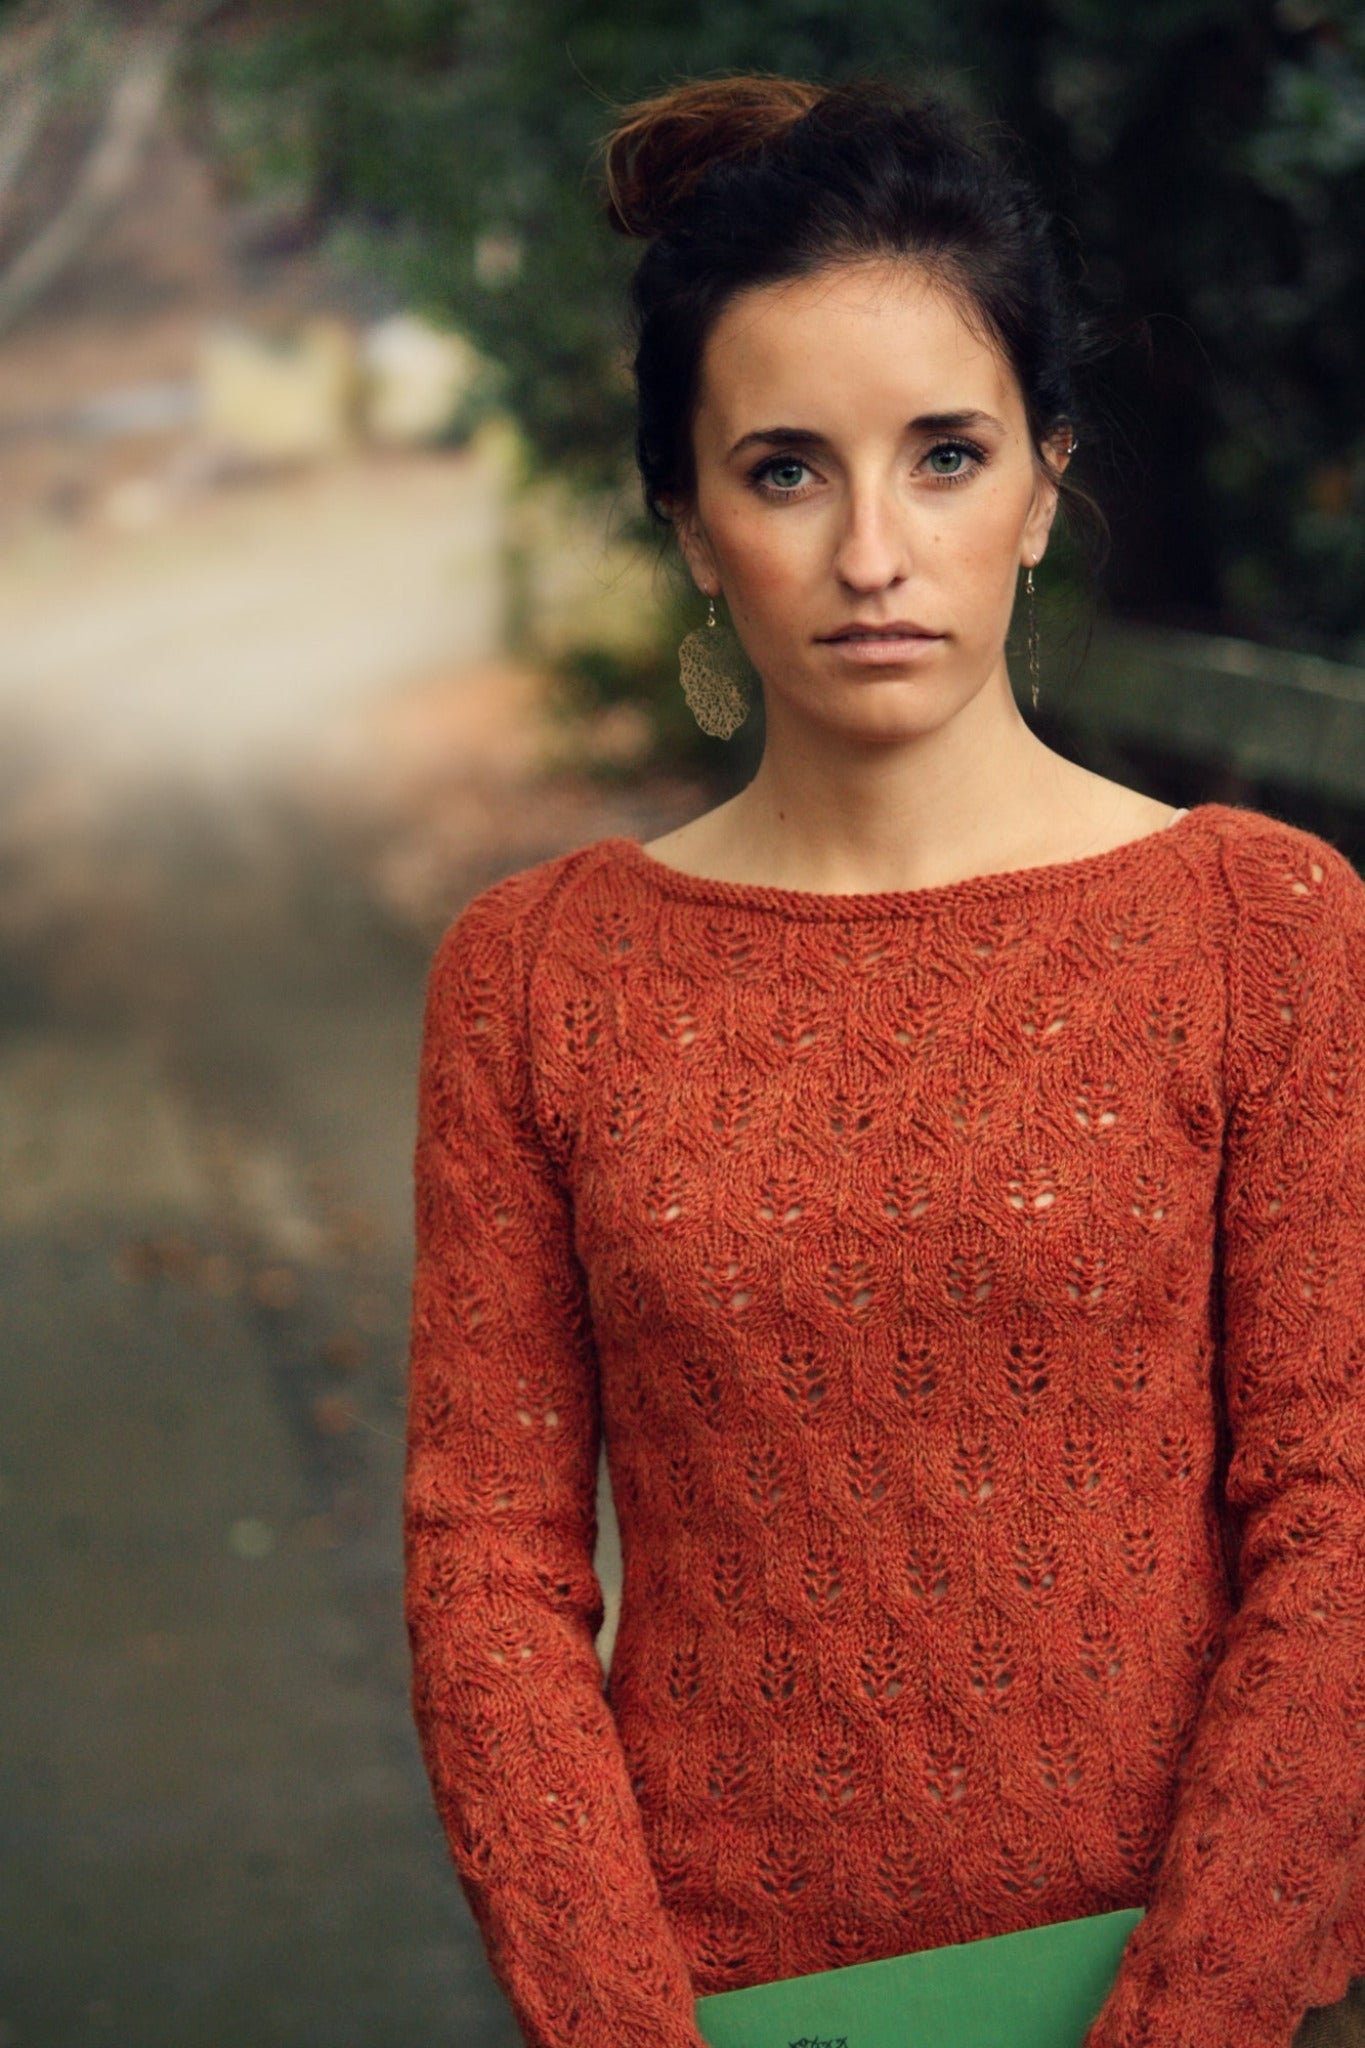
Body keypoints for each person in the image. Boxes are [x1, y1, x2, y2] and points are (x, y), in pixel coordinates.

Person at [403, 73, 1365, 2048]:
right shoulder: (532, 976)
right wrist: (623, 2030)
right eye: (780, 470)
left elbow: (1339, 1520)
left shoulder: (1262, 929)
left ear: (1040, 481)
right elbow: (485, 1572)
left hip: (1193, 1985)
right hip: (724, 2003)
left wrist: (1183, 2021)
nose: (869, 549)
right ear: (681, 516)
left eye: (941, 455)